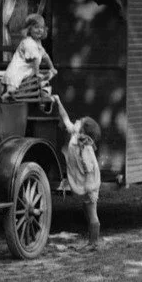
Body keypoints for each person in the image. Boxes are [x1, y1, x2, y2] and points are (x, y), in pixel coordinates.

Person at [52, 94, 102, 244]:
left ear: (83, 134)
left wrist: (88, 188)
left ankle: (94, 244)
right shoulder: (76, 135)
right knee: (87, 210)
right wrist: (58, 101)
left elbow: (89, 169)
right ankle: (91, 240)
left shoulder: (84, 149)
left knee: (92, 213)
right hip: (85, 184)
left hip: (90, 185)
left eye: (80, 122)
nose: (77, 121)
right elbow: (65, 118)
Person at [0, 13, 57, 101]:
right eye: (36, 27)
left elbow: (45, 56)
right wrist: (37, 73)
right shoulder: (28, 43)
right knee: (12, 88)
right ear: (29, 29)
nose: (39, 30)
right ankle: (6, 96)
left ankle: (9, 96)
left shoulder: (38, 42)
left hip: (26, 73)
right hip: (17, 71)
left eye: (41, 28)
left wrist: (52, 67)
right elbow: (34, 59)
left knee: (20, 91)